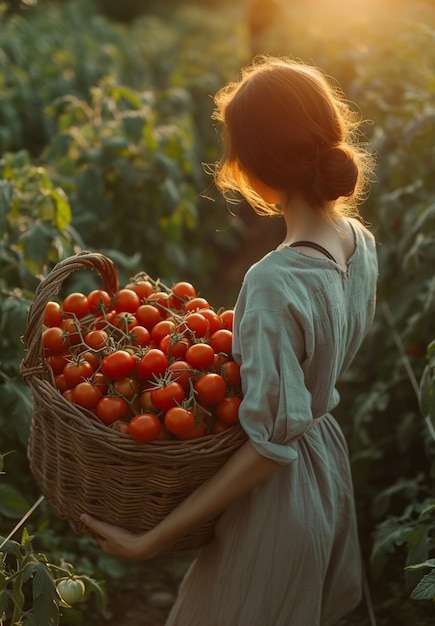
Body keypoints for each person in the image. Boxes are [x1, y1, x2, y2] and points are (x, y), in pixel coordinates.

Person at [81, 56, 378, 625]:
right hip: (326, 475)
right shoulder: (357, 242)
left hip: (277, 504)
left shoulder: (273, 280)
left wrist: (152, 541)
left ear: (252, 165)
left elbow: (268, 447)